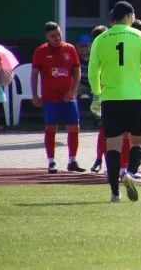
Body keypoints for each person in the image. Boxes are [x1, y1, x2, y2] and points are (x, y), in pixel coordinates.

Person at [88, 1, 141, 203]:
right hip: (136, 97)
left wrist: (96, 95)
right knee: (138, 142)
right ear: (130, 15)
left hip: (111, 99)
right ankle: (129, 172)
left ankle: (114, 193)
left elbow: (94, 70)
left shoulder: (101, 39)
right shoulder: (140, 36)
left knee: (113, 147)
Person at [31, 22, 85, 174]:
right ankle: (51, 161)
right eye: (53, 36)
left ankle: (72, 160)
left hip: (68, 97)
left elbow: (77, 70)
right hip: (50, 97)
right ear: (47, 37)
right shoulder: (41, 51)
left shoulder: (70, 49)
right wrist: (35, 94)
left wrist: (73, 91)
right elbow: (34, 73)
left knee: (74, 127)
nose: (57, 38)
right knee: (51, 128)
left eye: (59, 34)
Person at [89, 25, 109, 174]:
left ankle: (115, 164)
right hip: (103, 95)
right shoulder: (97, 53)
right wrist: (96, 95)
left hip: (117, 94)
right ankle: (99, 159)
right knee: (105, 129)